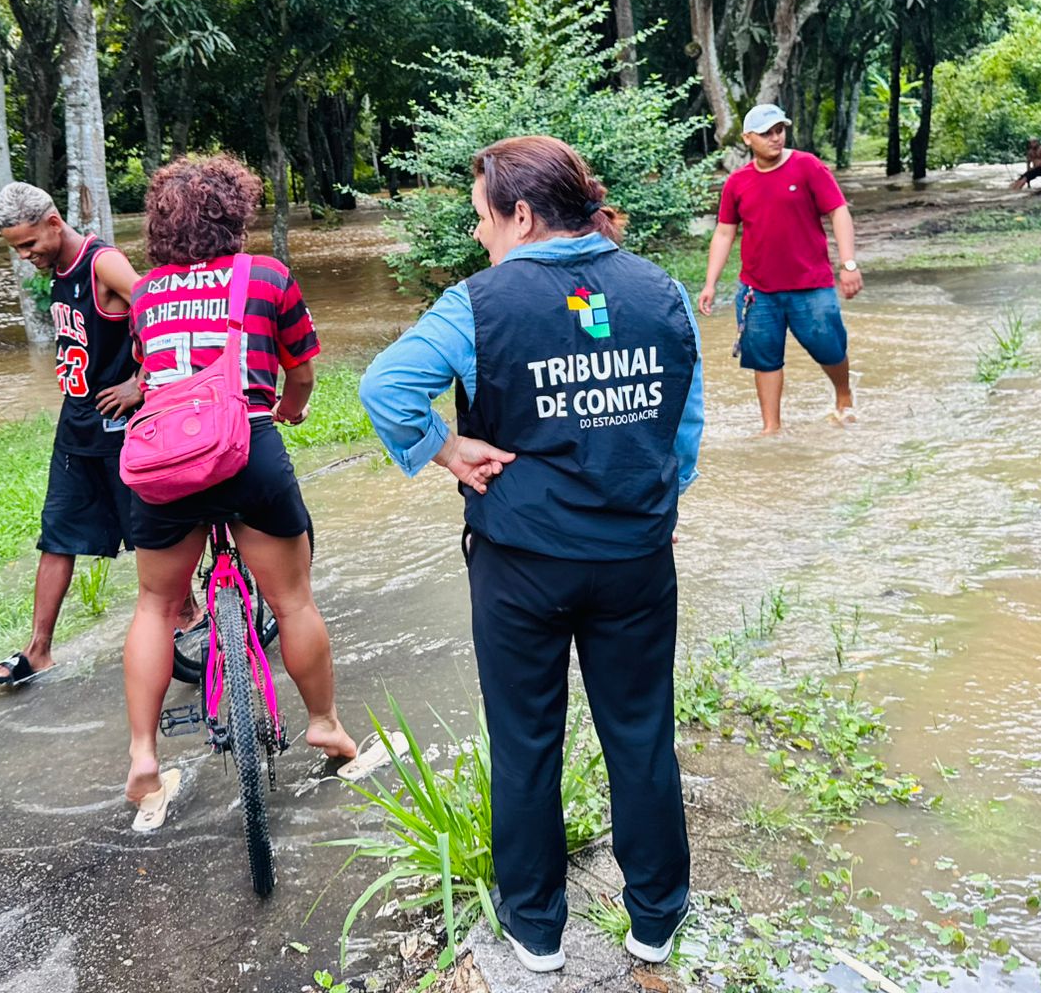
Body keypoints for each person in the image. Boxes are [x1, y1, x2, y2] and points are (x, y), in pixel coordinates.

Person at [359, 136, 705, 975]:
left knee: (524, 741)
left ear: (520, 213)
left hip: (521, 564)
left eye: (482, 218)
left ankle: (537, 935)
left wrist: (444, 449)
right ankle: (655, 920)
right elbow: (684, 428)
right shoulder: (659, 289)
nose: (479, 236)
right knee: (641, 732)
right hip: (634, 560)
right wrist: (645, 500)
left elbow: (384, 387)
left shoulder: (476, 304)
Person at [122, 155, 377, 828]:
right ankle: (324, 725)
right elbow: (302, 371)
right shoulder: (266, 277)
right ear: (235, 213)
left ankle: (144, 757)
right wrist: (290, 408)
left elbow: (151, 374)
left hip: (165, 464)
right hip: (248, 448)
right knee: (293, 601)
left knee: (154, 605)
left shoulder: (145, 294)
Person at [0, 183, 146, 687]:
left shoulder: (104, 264)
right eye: (16, 248)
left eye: (29, 243)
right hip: (76, 424)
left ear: (54, 221)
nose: (25, 255)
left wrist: (139, 384)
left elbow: (163, 317)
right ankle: (38, 651)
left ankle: (187, 618)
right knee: (56, 534)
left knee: (150, 536)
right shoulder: (56, 269)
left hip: (122, 428)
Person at [697, 103, 862, 435]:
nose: (775, 138)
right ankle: (771, 428)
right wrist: (710, 283)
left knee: (829, 347)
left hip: (810, 284)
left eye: (779, 130)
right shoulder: (737, 182)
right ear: (747, 138)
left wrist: (848, 264)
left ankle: (843, 396)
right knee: (764, 358)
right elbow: (725, 231)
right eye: (766, 133)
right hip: (758, 291)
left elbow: (838, 211)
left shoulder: (807, 166)